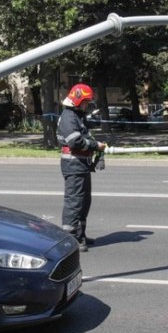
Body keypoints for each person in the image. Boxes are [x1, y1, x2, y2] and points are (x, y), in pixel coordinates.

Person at [57, 83, 107, 251]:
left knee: (84, 201)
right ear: (77, 100)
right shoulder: (68, 117)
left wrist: (98, 152)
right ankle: (70, 241)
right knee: (74, 202)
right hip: (73, 165)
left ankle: (80, 235)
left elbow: (86, 137)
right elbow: (75, 141)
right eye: (85, 101)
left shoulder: (77, 116)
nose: (87, 105)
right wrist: (96, 146)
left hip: (81, 165)